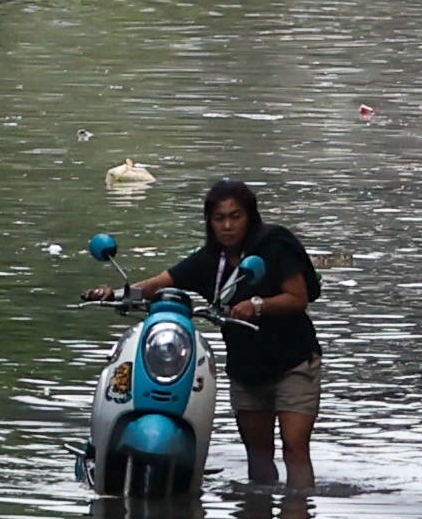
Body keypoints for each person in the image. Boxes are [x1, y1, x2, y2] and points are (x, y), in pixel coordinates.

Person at [98, 177, 323, 485]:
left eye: (235, 216)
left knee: (295, 449)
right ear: (209, 222)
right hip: (247, 368)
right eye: (219, 218)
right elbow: (160, 283)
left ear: (250, 217)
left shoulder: (274, 245)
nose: (227, 226)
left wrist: (257, 304)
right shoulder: (209, 260)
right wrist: (117, 295)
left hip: (293, 362)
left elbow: (298, 298)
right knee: (257, 454)